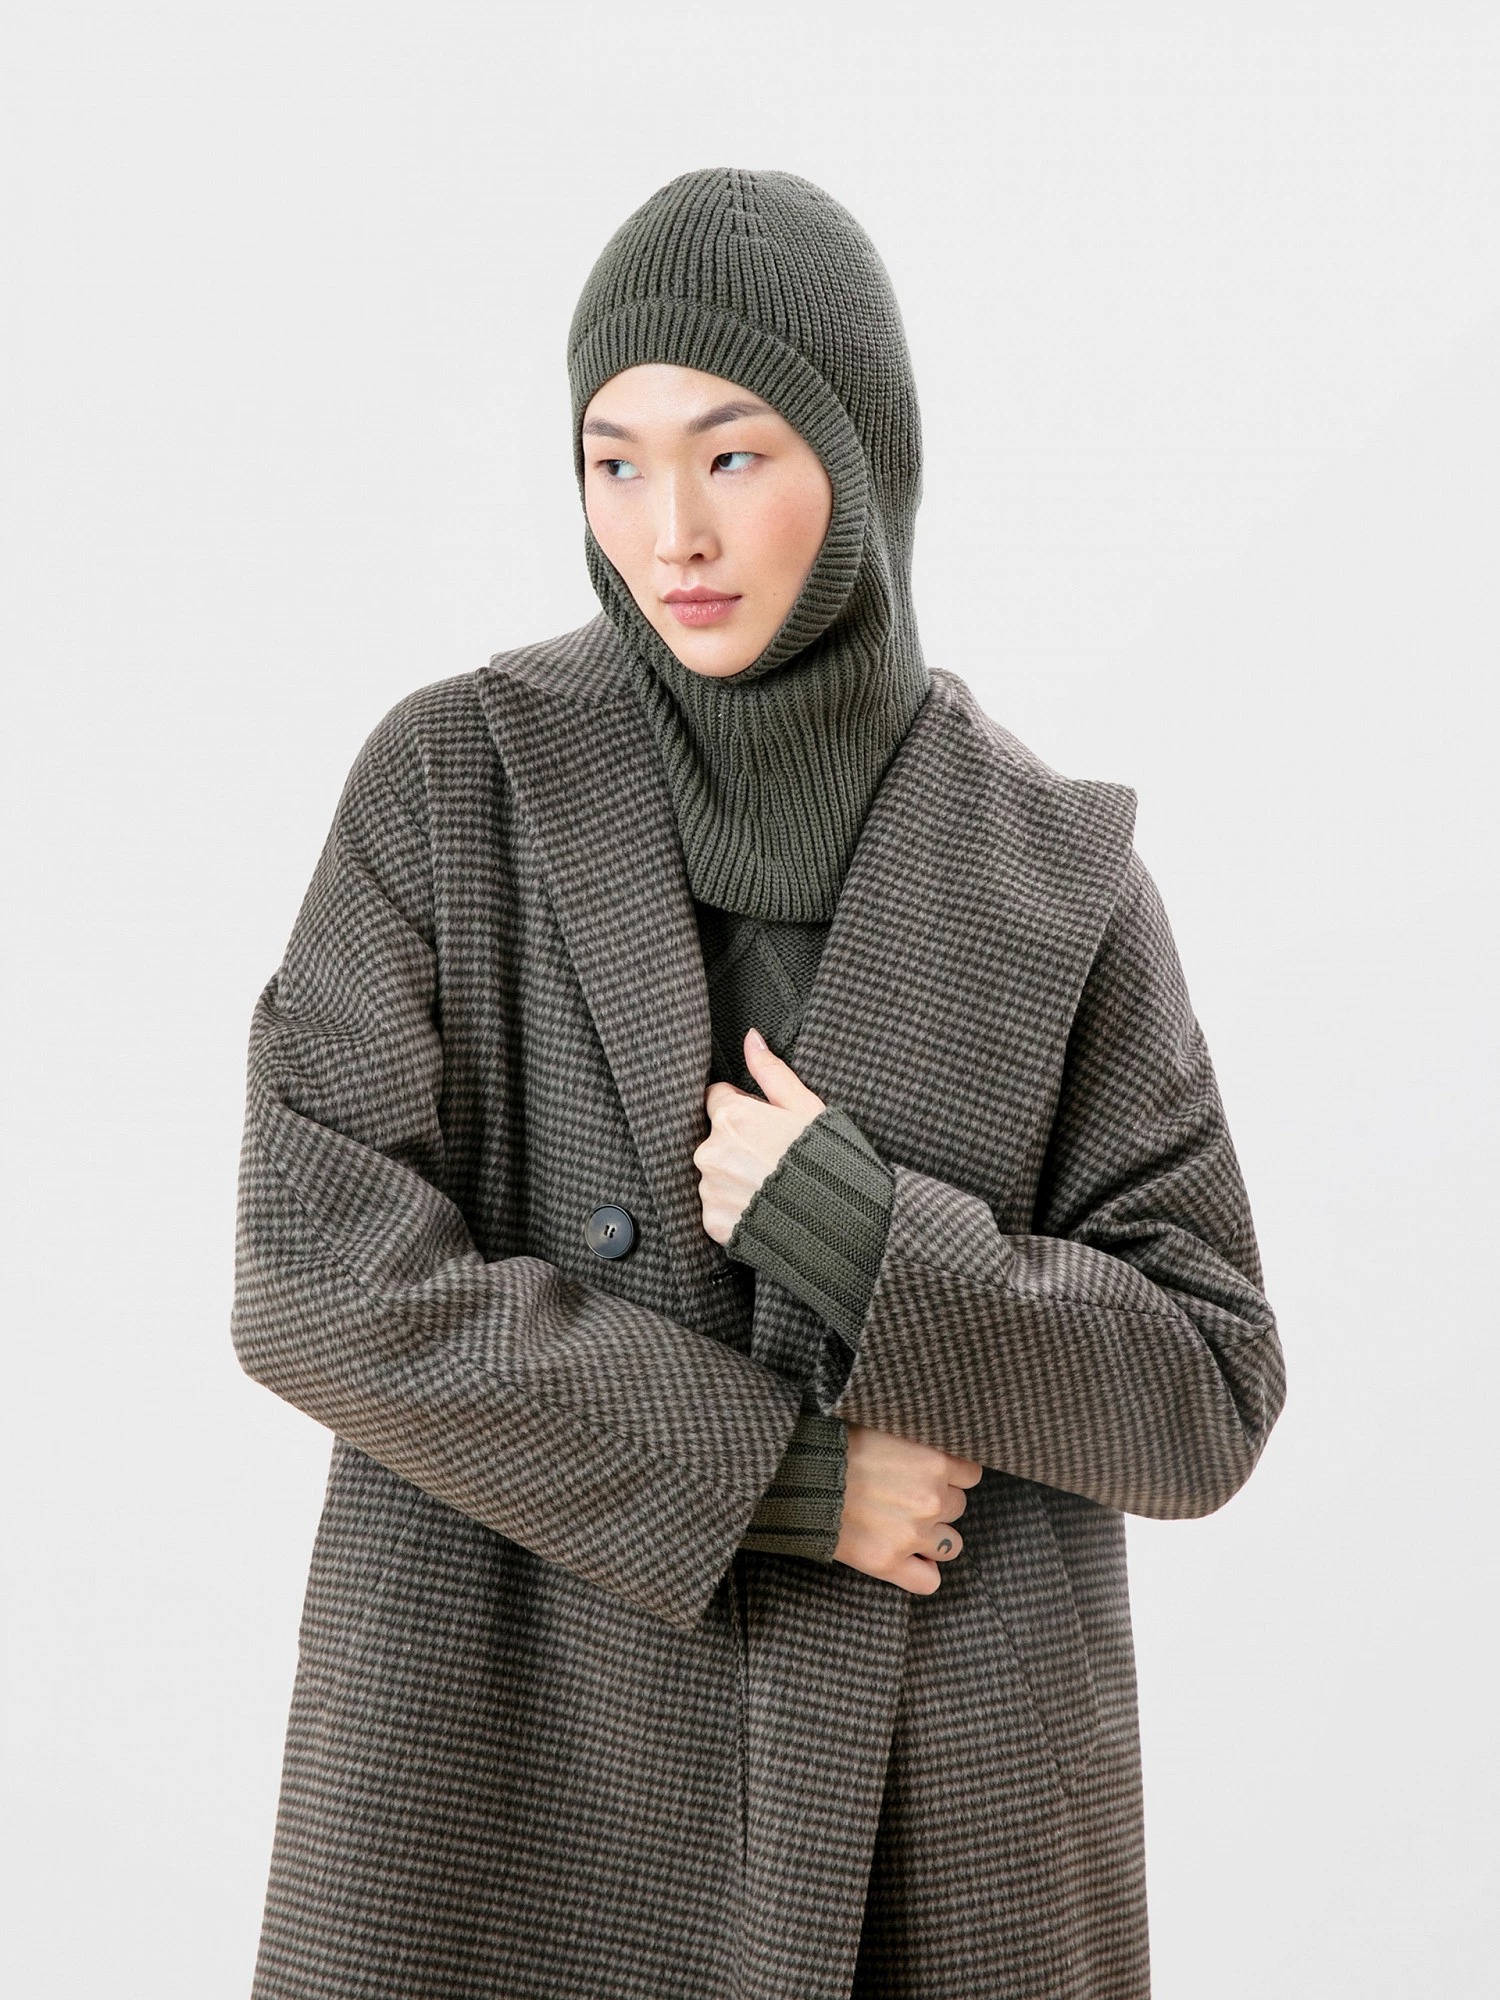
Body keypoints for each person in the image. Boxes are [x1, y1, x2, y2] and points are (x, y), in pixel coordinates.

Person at [232, 167, 1286, 2000]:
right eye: (615, 462)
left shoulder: (1053, 880)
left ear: (862, 460)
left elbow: (1207, 1394)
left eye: (733, 454)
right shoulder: (453, 785)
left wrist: (879, 1246)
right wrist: (781, 1478)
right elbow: (311, 1277)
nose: (673, 533)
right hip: (503, 1762)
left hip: (927, 1800)